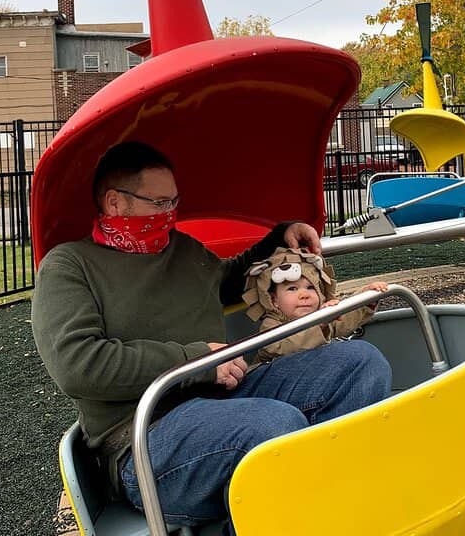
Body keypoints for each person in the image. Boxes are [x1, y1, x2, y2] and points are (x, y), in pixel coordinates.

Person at [31, 141, 392, 532]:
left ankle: (323, 507)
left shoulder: (181, 249)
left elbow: (228, 280)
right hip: (143, 435)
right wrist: (197, 361)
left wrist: (280, 236)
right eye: (159, 203)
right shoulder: (69, 266)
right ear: (115, 202)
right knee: (272, 425)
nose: (170, 214)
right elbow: (78, 365)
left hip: (226, 397)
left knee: (359, 363)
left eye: (174, 202)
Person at [241, 246, 388, 364]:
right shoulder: (272, 325)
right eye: (292, 289)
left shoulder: (320, 316)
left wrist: (365, 299)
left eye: (311, 288)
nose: (304, 295)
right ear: (274, 300)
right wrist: (320, 325)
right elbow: (279, 346)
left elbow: (344, 320)